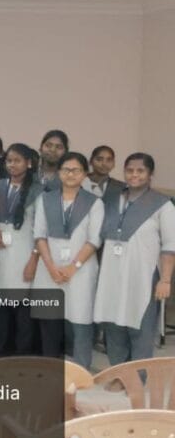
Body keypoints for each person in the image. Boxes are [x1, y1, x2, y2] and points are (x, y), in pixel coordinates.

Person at [94, 153, 175, 364]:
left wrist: (165, 280)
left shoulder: (162, 205)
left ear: (150, 174)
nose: (134, 175)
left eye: (140, 171)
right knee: (113, 328)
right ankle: (118, 375)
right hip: (111, 277)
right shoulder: (111, 201)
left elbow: (170, 246)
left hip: (143, 279)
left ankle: (139, 378)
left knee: (141, 331)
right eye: (130, 170)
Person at [32, 152, 103, 369]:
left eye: (76, 170)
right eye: (66, 169)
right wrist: (51, 267)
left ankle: (81, 370)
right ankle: (50, 368)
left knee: (81, 321)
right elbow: (39, 236)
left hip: (81, 271)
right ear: (59, 172)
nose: (70, 174)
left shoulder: (94, 202)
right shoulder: (45, 199)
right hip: (49, 269)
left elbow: (94, 239)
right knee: (49, 321)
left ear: (85, 174)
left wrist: (73, 267)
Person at [0, 143, 41, 356]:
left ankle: (22, 356)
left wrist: (34, 260)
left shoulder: (38, 191)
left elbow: (41, 230)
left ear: (28, 163)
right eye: (9, 160)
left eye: (17, 160)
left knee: (23, 314)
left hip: (24, 255)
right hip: (0, 257)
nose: (12, 164)